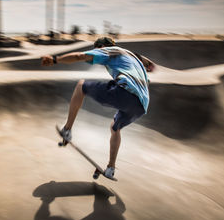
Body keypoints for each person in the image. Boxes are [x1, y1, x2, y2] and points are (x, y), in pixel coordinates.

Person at [41, 37, 155, 178]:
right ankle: (111, 168)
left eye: (95, 50)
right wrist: (149, 65)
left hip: (125, 92)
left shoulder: (108, 50)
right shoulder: (130, 54)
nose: (94, 53)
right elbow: (148, 63)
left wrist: (54, 59)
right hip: (141, 106)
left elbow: (79, 56)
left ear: (101, 47)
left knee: (81, 85)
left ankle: (67, 130)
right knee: (115, 127)